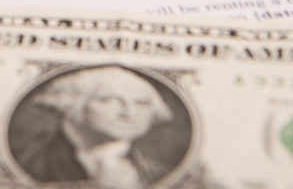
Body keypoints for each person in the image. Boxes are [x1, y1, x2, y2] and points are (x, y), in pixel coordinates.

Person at [12, 65, 182, 188]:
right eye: (110, 100)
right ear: (71, 105)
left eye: (142, 103)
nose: (129, 113)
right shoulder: (30, 162)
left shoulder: (159, 173)